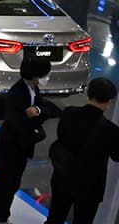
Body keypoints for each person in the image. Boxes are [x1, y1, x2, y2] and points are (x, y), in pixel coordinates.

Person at [0, 58, 59, 224]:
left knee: (13, 185)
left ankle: (3, 217)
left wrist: (37, 111)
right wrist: (35, 120)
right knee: (1, 185)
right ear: (36, 75)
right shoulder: (16, 93)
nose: (47, 77)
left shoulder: (34, 89)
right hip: (9, 147)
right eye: (45, 73)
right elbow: (17, 123)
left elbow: (48, 109)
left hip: (22, 148)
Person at [44, 77, 119, 224]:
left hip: (63, 177)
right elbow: (117, 156)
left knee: (54, 218)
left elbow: (61, 136)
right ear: (110, 101)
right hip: (90, 186)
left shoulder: (69, 113)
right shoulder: (111, 130)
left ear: (88, 93)